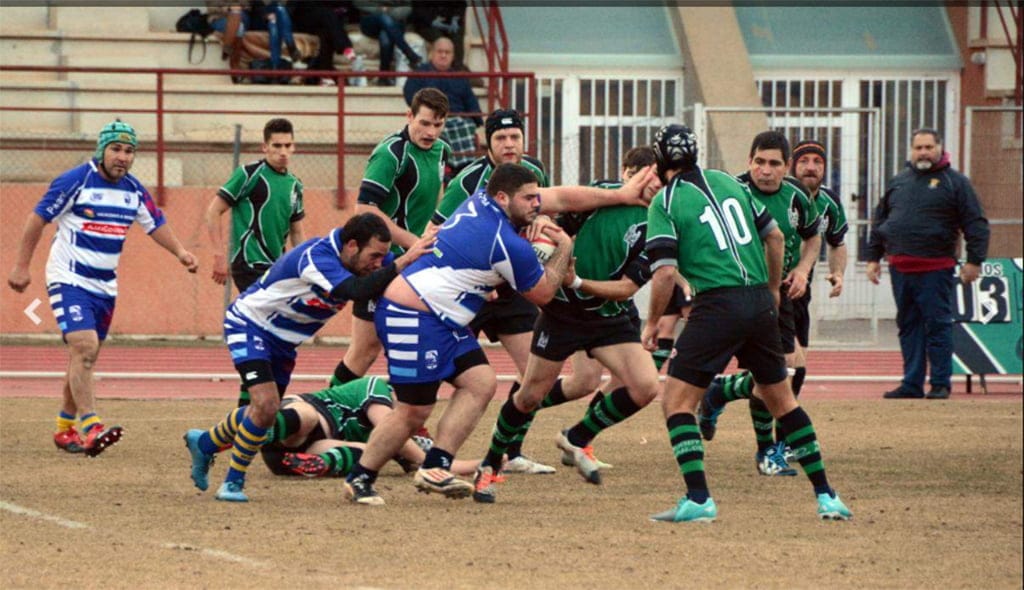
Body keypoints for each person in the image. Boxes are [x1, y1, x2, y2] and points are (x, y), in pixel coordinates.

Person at [427, 108, 657, 473]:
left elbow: (556, 205)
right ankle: (413, 439)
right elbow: (434, 230)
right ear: (486, 141)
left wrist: (545, 226)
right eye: (500, 138)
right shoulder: (469, 179)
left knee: (533, 386)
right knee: (433, 371)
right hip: (474, 289)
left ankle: (510, 452)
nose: (508, 144)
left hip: (519, 287)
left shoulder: (531, 173)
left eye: (514, 137)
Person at [641, 124, 851, 522]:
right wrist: (771, 288)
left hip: (716, 304)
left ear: (660, 161)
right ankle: (827, 496)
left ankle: (699, 499)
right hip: (758, 301)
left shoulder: (665, 201)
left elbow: (665, 273)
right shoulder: (725, 181)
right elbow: (774, 239)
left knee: (677, 404)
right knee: (784, 400)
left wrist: (651, 323)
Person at [342, 163, 573, 505]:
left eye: (537, 196)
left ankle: (435, 466)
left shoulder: (480, 200)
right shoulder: (506, 242)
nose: (536, 204)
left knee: (480, 381)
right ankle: (360, 476)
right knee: (413, 411)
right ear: (502, 196)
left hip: (438, 318)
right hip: (412, 315)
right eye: (527, 198)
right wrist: (564, 246)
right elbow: (543, 293)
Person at [183, 213, 435, 502]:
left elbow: (410, 270)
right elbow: (356, 290)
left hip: (283, 342)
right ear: (351, 246)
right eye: (375, 256)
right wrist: (403, 261)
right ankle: (232, 483)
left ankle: (204, 442)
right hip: (250, 325)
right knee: (265, 406)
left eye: (383, 256)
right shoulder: (316, 257)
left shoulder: (364, 258)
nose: (379, 262)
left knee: (266, 413)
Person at [471, 147, 662, 503]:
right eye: (645, 174)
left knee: (646, 386)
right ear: (631, 175)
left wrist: (578, 282)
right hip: (561, 314)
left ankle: (577, 436)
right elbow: (550, 205)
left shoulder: (663, 224)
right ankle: (491, 464)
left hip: (607, 315)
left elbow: (628, 287)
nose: (651, 182)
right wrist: (545, 229)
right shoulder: (603, 194)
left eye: (660, 176)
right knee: (529, 396)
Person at [7, 120, 199, 456]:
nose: (122, 157)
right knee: (85, 346)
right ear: (101, 150)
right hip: (69, 279)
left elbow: (156, 224)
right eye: (116, 149)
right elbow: (37, 219)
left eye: (129, 151)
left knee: (84, 355)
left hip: (105, 286)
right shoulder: (75, 180)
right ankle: (91, 425)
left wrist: (181, 252)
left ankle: (65, 428)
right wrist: (21, 266)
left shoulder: (134, 190)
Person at [697, 131, 822, 478]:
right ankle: (768, 450)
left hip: (780, 291)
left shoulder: (797, 195)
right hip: (739, 291)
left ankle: (722, 393)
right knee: (780, 372)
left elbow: (814, 236)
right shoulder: (731, 191)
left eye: (774, 164)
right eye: (759, 162)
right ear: (749, 162)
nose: (765, 171)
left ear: (786, 167)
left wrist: (802, 269)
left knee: (789, 370)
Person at [329, 88, 450, 398]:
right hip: (381, 263)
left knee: (418, 340)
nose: (430, 132)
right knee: (365, 350)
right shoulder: (391, 153)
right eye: (424, 123)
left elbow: (434, 204)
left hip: (416, 263)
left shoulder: (441, 151)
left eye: (438, 125)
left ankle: (409, 416)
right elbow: (364, 209)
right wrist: (414, 244)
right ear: (408, 116)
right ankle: (324, 407)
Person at [867, 128, 989, 400]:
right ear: (911, 150)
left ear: (939, 149)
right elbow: (881, 221)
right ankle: (911, 383)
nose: (923, 152)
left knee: (937, 325)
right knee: (908, 326)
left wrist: (974, 261)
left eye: (928, 147)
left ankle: (940, 383)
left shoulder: (955, 182)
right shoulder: (898, 181)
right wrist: (873, 257)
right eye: (918, 147)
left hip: (936, 269)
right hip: (900, 268)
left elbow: (975, 223)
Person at [186, 376, 477, 479]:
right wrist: (449, 465)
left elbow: (402, 450)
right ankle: (251, 433)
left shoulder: (401, 423)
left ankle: (311, 463)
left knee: (368, 453)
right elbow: (396, 435)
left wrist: (480, 464)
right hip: (300, 418)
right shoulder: (376, 389)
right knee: (306, 417)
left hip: (288, 456)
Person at [205, 117, 305, 295]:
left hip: (277, 266)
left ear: (294, 147)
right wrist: (219, 255)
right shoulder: (249, 174)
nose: (283, 152)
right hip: (248, 263)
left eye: (288, 146)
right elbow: (214, 211)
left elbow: (296, 231)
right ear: (265, 147)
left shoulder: (295, 184)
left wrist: (303, 264)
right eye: (277, 146)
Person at [403, 36, 484, 171]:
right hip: (431, 118)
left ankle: (463, 169)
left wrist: (477, 121)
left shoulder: (459, 76)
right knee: (435, 127)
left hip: (459, 119)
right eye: (440, 52)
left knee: (467, 126)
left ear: (453, 56)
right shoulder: (420, 73)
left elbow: (470, 100)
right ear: (432, 53)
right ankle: (447, 166)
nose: (443, 55)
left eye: (447, 52)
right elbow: (409, 95)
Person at [354, 1, 422, 86]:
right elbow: (358, 2)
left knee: (385, 36)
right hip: (371, 21)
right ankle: (409, 53)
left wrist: (389, 12)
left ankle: (383, 78)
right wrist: (378, 10)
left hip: (395, 22)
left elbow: (407, 7)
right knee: (383, 18)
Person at [409, 1, 467, 69]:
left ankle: (457, 68)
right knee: (441, 40)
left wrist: (455, 19)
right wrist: (432, 21)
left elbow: (462, 4)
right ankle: (439, 68)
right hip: (427, 24)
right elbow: (418, 10)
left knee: (457, 36)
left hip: (448, 22)